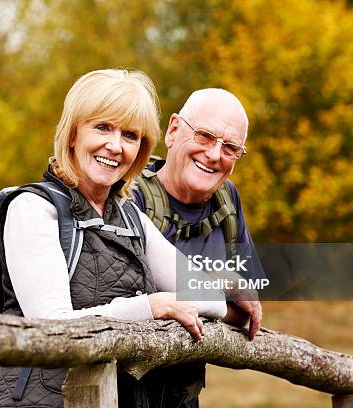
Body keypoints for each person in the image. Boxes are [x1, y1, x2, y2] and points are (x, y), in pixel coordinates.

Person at [0, 70, 229, 408]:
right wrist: (152, 306)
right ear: (72, 134)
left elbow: (212, 298)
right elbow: (51, 326)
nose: (115, 146)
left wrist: (167, 304)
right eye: (102, 128)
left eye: (130, 135)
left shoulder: (131, 218)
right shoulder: (34, 209)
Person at [134, 88, 265, 407]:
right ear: (174, 130)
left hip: (183, 398)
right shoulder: (128, 194)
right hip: (121, 392)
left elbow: (247, 307)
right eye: (205, 136)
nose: (214, 154)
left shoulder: (227, 201)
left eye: (230, 147)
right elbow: (129, 301)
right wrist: (220, 283)